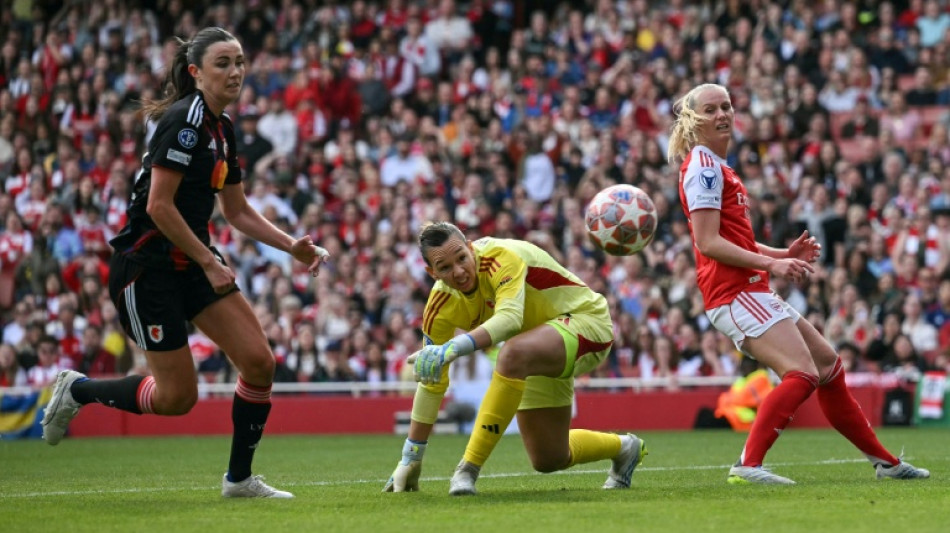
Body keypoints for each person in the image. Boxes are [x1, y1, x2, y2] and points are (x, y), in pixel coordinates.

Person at [39, 27, 329, 499]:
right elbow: (158, 207)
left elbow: (236, 211)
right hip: (147, 268)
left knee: (259, 362)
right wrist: (210, 263)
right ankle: (79, 390)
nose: (235, 71)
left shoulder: (223, 127)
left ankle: (238, 481)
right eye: (223, 63)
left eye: (239, 61)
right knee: (177, 399)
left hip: (190, 259)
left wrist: (290, 245)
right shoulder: (186, 122)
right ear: (195, 72)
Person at [669, 82, 929, 485]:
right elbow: (707, 242)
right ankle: (747, 465)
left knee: (828, 366)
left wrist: (780, 255)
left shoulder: (716, 166)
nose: (722, 114)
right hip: (733, 292)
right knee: (803, 372)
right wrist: (770, 266)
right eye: (710, 109)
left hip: (748, 287)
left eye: (727, 105)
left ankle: (885, 463)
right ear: (692, 121)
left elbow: (733, 239)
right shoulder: (703, 168)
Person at [383, 221, 646, 495]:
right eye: (445, 267)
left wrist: (453, 347)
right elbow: (432, 381)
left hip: (587, 323)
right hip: (537, 345)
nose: (459, 271)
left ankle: (466, 471)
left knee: (511, 353)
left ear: (471, 248)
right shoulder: (439, 306)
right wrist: (411, 456)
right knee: (549, 458)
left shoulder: (500, 257)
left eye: (462, 258)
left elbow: (509, 319)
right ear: (431, 272)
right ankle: (625, 448)